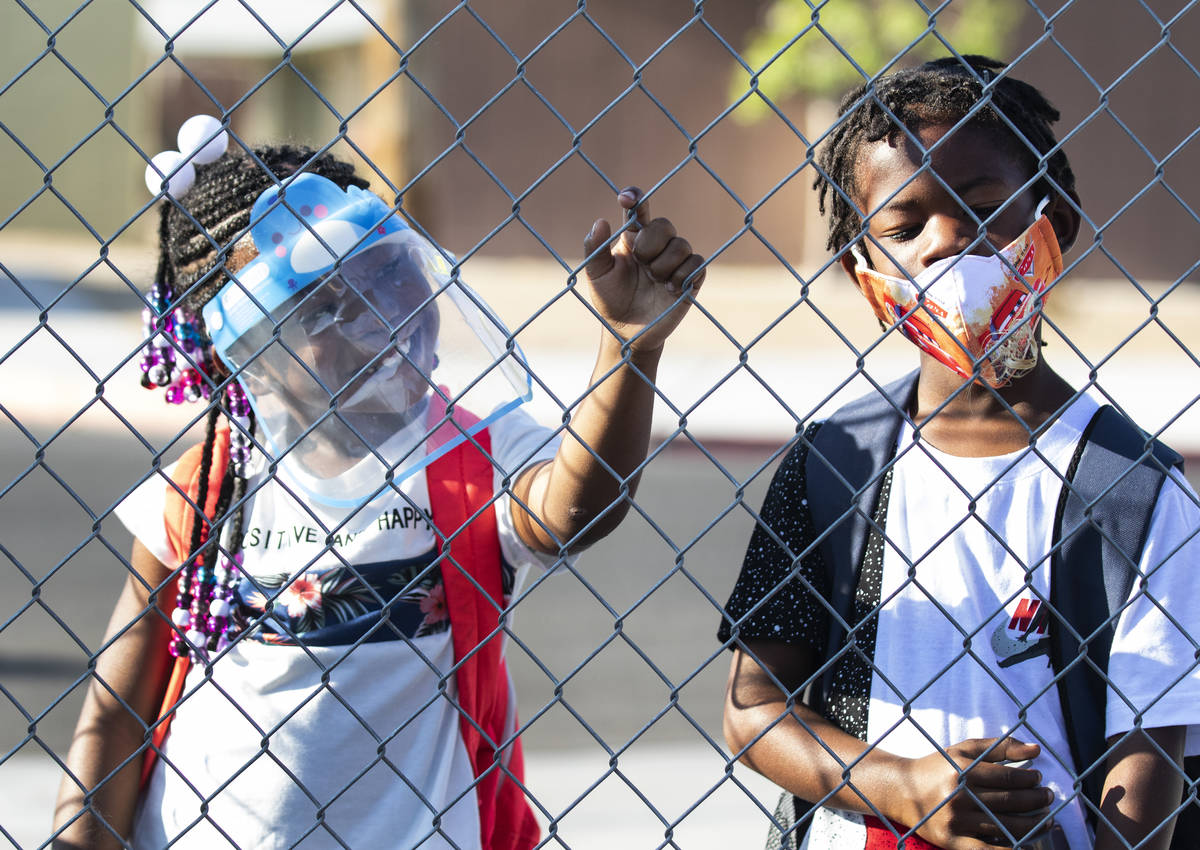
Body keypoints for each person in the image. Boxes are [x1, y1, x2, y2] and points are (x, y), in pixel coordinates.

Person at [53, 123, 705, 849]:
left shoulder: (465, 457)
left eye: (385, 270)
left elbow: (575, 509)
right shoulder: (206, 491)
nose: (376, 313)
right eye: (320, 308)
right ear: (248, 358)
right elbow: (115, 712)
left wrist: (626, 346)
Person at [719, 56, 1200, 850]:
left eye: (984, 209)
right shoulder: (832, 464)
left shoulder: (1134, 491)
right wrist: (901, 787)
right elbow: (754, 708)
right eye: (904, 229)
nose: (947, 244)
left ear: (1054, 228)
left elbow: (1148, 766)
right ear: (865, 275)